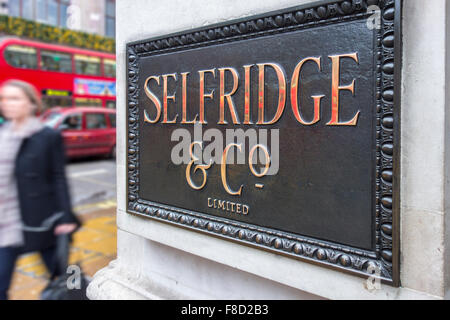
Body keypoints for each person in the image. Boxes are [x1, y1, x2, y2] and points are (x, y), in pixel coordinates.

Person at [0, 80, 80, 300]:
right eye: (3, 98)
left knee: (63, 281)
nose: (7, 103)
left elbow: (58, 178)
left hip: (41, 222)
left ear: (32, 103)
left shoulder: (47, 137)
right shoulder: (2, 133)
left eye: (14, 98)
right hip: (6, 225)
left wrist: (65, 216)